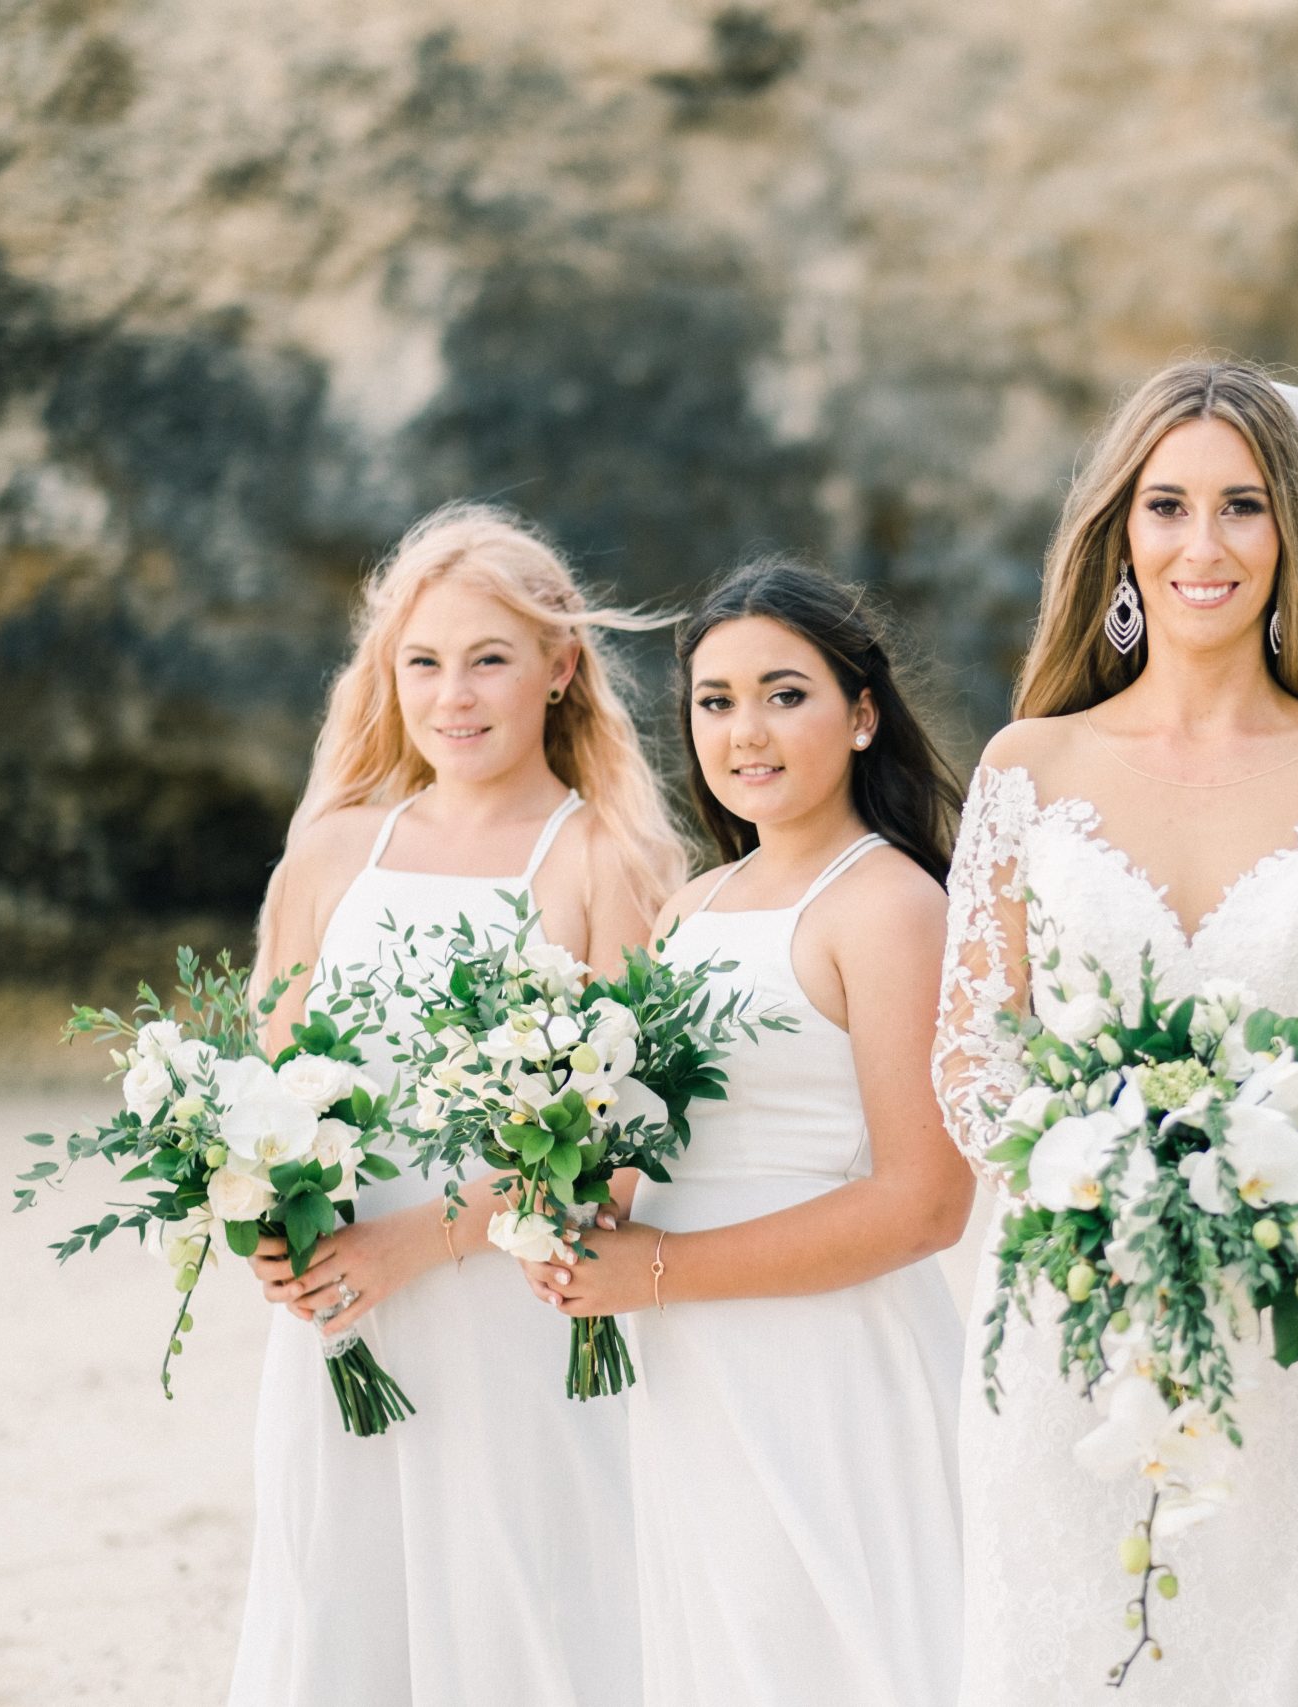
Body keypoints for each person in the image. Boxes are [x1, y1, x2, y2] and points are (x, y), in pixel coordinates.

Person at [934, 358, 1298, 1705]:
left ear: (1292, 538)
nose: (1203, 545)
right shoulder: (1027, 768)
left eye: (1242, 505)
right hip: (1065, 1326)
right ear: (1119, 534)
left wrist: (1258, 1182)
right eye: (1167, 506)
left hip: (1283, 1330)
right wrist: (1117, 1170)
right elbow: (979, 1066)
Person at [231, 501, 680, 1705]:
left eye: (490, 659)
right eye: (423, 663)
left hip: (510, 1309)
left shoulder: (601, 861)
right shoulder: (334, 855)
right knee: (340, 1596)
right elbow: (264, 1099)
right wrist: (273, 1230)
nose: (455, 696)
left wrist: (416, 1245)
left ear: (558, 667)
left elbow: (626, 1145)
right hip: (342, 1313)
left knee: (522, 1601)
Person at [525, 558, 971, 1707]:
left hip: (825, 1363)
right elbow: (661, 1139)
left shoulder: (888, 906)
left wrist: (661, 1270)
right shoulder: (693, 907)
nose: (745, 731)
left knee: (840, 1652)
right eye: (716, 701)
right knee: (724, 1652)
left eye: (786, 693)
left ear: (862, 714)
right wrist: (575, 1201)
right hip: (689, 1366)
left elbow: (926, 1201)